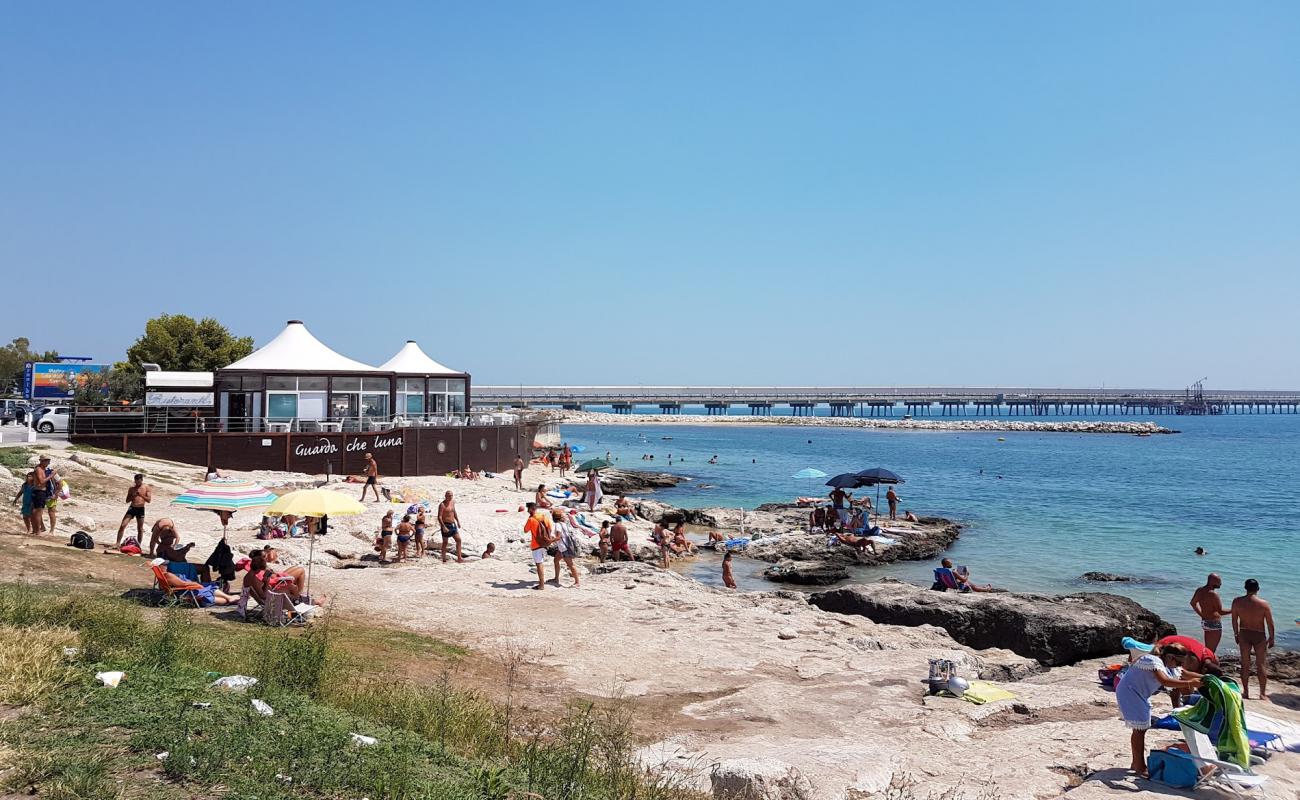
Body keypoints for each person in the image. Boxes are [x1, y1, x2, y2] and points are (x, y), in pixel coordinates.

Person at [1115, 642, 1202, 777]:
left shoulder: (1168, 666)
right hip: (1130, 692)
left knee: (1141, 729)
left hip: (1140, 694)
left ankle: (1135, 762)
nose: (1179, 666)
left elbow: (1185, 673)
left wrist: (1207, 678)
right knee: (1140, 730)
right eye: (1178, 662)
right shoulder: (1152, 660)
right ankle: (1139, 766)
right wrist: (1191, 683)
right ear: (1169, 657)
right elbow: (1165, 681)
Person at [1231, 579, 1276, 701]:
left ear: (1245, 588)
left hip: (1244, 633)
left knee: (1245, 664)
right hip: (1259, 635)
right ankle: (1262, 694)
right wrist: (1272, 637)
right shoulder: (1263, 604)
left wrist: (1236, 634)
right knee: (1261, 664)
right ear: (1258, 589)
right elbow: (1270, 623)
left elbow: (1234, 620)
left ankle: (1245, 692)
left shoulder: (1237, 602)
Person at [1189, 573, 1227, 653]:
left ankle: (1204, 662)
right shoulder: (1213, 594)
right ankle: (1207, 663)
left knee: (1207, 648)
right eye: (1219, 581)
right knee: (1211, 650)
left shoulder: (1200, 590)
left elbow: (1193, 603)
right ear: (1212, 582)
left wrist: (1201, 614)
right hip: (1214, 623)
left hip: (1205, 622)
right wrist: (1234, 610)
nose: (1220, 583)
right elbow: (1221, 612)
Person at [113, 474, 152, 549]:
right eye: (136, 481)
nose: (137, 483)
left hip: (140, 509)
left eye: (139, 481)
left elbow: (149, 500)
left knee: (140, 528)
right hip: (132, 508)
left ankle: (138, 545)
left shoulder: (146, 488)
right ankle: (117, 543)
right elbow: (127, 500)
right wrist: (133, 496)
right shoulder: (131, 488)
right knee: (123, 525)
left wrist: (141, 495)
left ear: (141, 480)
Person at [551, 509, 581, 588]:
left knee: (570, 565)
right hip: (564, 547)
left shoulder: (557, 525)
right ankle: (556, 578)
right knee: (556, 560)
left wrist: (549, 541)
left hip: (564, 548)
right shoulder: (563, 523)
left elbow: (558, 537)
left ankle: (577, 582)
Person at [527, 506, 554, 590]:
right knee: (541, 563)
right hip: (546, 543)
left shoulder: (531, 519)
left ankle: (541, 585)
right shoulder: (544, 517)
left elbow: (525, 529)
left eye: (528, 509)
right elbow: (550, 528)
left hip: (536, 544)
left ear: (531, 509)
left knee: (539, 564)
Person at [33, 456, 59, 536]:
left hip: (45, 492)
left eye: (49, 461)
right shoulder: (39, 469)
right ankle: (38, 531)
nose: (49, 463)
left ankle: (41, 529)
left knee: (41, 511)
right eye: (47, 461)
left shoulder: (45, 469)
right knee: (38, 512)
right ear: (42, 461)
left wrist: (56, 493)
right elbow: (41, 481)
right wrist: (51, 475)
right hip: (39, 492)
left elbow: (59, 482)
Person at [438, 490, 464, 563]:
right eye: (449, 495)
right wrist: (443, 526)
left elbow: (454, 511)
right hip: (446, 525)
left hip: (453, 524)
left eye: (451, 495)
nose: (450, 497)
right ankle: (444, 559)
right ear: (445, 496)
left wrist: (458, 521)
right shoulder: (442, 505)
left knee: (458, 540)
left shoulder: (452, 502)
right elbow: (439, 517)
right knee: (445, 542)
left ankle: (459, 558)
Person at [11, 470, 38, 534]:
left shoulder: (35, 486)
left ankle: (35, 530)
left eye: (31, 476)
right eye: (28, 476)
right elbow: (20, 492)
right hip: (25, 503)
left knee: (32, 517)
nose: (29, 477)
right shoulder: (24, 485)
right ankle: (29, 529)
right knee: (25, 517)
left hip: (32, 503)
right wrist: (16, 499)